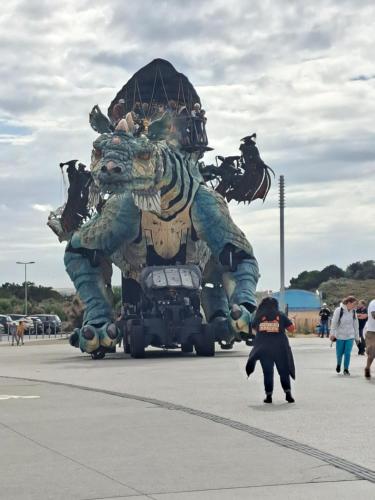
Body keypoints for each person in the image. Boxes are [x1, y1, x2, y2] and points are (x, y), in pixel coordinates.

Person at [246, 297, 296, 404]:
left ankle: (268, 396)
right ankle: (288, 395)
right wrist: (292, 322)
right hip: (280, 349)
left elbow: (253, 329)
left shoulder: (259, 316)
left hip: (264, 350)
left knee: (268, 373)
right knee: (284, 372)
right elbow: (291, 329)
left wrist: (263, 332)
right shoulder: (280, 315)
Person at [330, 296, 359, 375]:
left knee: (347, 353)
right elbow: (334, 324)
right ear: (348, 303)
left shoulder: (353, 312)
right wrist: (332, 334)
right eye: (354, 304)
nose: (355, 306)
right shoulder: (338, 311)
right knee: (339, 353)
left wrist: (357, 338)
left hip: (350, 336)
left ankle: (346, 369)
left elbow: (356, 325)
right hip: (340, 336)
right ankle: (338, 364)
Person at [364, 299, 375, 378]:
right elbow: (374, 315)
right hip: (372, 331)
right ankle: (367, 368)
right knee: (372, 353)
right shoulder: (373, 303)